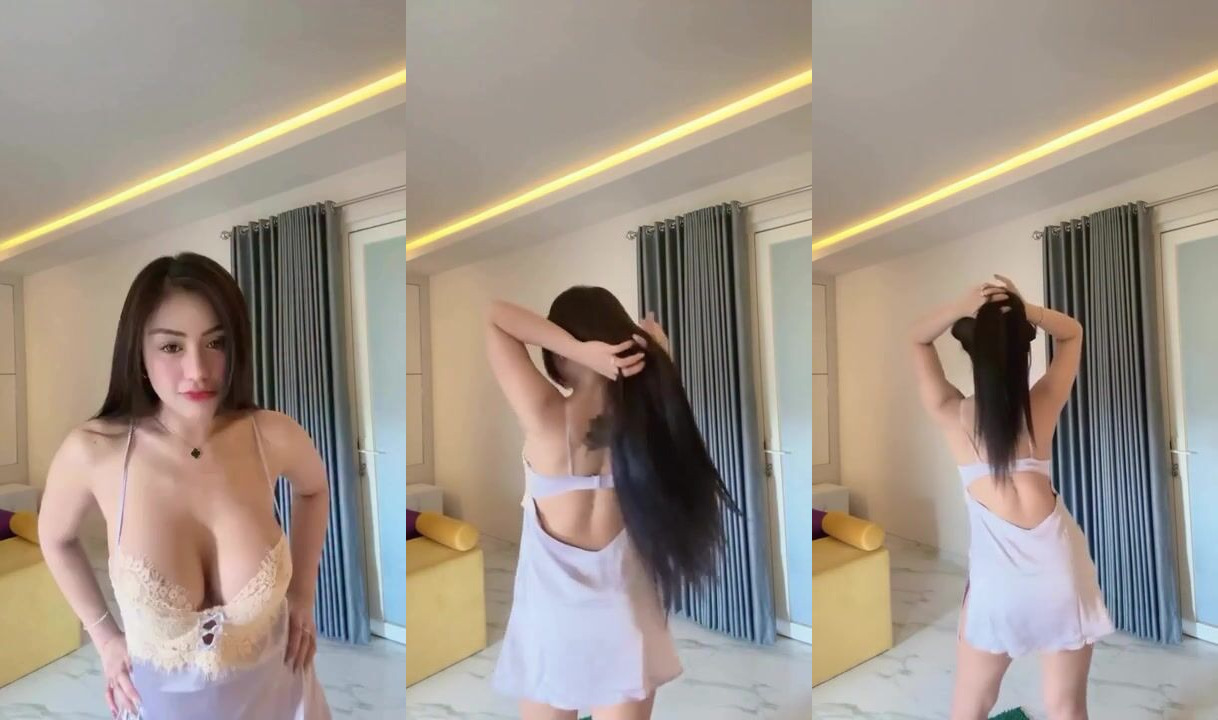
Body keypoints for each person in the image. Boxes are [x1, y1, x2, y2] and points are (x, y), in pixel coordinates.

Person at [38, 252, 332, 719]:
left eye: (215, 342)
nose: (198, 370)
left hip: (283, 698)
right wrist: (105, 636)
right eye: (172, 347)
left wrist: (302, 594)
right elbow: (54, 538)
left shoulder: (271, 435)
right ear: (138, 353)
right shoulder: (94, 452)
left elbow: (315, 491)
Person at [486, 286, 735, 720]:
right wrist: (658, 353)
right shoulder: (646, 425)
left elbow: (495, 314)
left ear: (560, 354)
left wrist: (578, 350)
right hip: (626, 615)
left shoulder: (545, 416)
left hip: (551, 619)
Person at [909, 274, 1114, 720]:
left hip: (998, 584)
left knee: (970, 706)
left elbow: (917, 339)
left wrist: (959, 304)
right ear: (1024, 351)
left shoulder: (951, 413)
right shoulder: (1041, 405)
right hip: (1061, 571)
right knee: (1066, 707)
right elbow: (1072, 332)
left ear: (971, 350)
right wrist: (1026, 308)